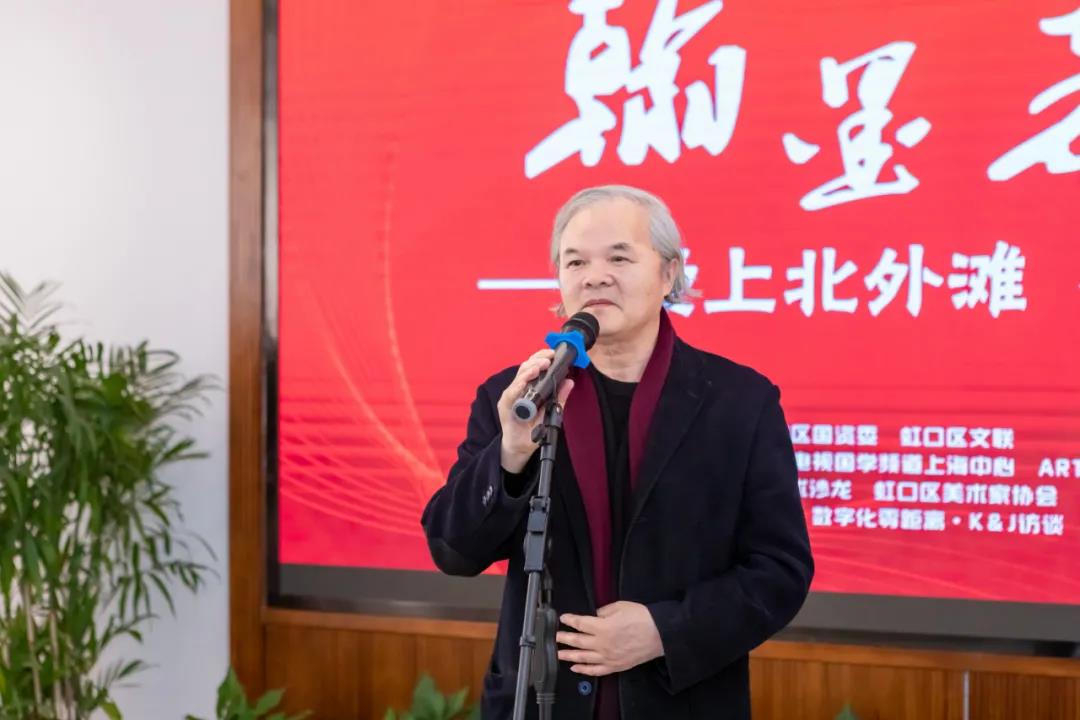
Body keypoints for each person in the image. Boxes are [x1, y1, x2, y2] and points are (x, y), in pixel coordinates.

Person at [421, 185, 813, 719]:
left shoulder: (740, 402)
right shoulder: (515, 397)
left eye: (619, 258)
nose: (594, 276)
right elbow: (453, 552)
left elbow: (780, 571)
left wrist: (664, 631)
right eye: (575, 261)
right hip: (541, 704)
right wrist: (510, 452)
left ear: (669, 274)